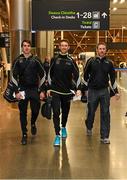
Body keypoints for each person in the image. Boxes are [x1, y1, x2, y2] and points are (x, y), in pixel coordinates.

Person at [83, 42, 120, 144]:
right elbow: (85, 76)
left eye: (104, 49)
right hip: (92, 91)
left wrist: (116, 92)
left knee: (105, 113)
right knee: (91, 111)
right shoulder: (91, 61)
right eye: (100, 48)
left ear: (106, 50)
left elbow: (113, 79)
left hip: (104, 91)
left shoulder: (109, 63)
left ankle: (104, 136)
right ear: (97, 50)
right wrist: (85, 89)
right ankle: (89, 126)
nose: (102, 50)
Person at [11, 40, 46, 145]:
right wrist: (16, 91)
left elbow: (43, 74)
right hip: (22, 89)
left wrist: (42, 90)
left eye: (28, 46)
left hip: (34, 89)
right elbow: (13, 76)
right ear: (22, 47)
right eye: (24, 46)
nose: (26, 47)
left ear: (31, 47)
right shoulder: (18, 60)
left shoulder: (36, 60)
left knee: (35, 110)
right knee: (23, 112)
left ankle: (33, 123)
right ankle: (24, 134)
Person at [47, 39, 81, 146]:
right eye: (62, 45)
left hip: (67, 92)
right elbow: (49, 74)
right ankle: (57, 135)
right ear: (59, 47)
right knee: (56, 112)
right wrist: (48, 88)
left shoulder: (71, 60)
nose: (64, 47)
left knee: (65, 112)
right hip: (55, 90)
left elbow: (77, 75)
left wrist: (79, 88)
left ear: (68, 47)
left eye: (66, 45)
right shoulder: (54, 59)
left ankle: (64, 127)